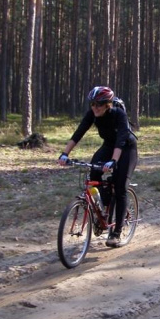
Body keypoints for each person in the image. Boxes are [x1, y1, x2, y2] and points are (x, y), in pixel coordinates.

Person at [58, 86, 138, 247]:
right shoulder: (92, 115)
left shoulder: (118, 114)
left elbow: (121, 139)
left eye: (99, 104)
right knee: (94, 174)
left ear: (108, 104)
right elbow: (78, 133)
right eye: (92, 104)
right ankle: (105, 207)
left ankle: (116, 232)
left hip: (127, 148)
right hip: (109, 146)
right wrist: (64, 154)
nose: (95, 107)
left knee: (120, 187)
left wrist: (114, 161)